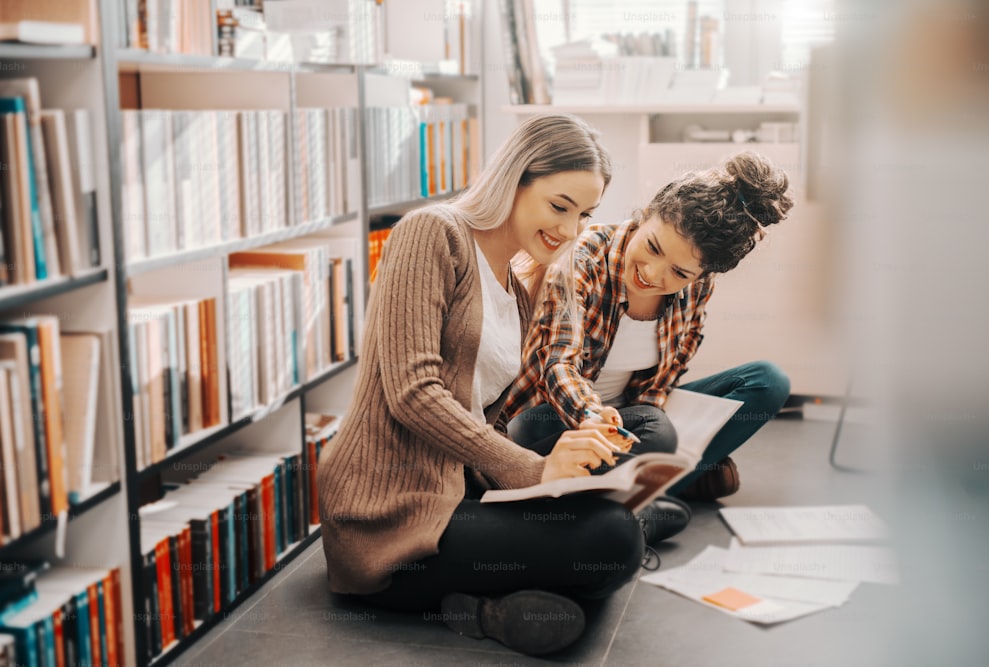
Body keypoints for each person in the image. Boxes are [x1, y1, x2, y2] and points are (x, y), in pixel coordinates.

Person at [317, 114, 645, 657]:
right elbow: (412, 392)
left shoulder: (516, 290)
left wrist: (554, 477)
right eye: (559, 206)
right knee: (614, 541)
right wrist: (532, 472)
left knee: (620, 471)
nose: (570, 230)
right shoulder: (431, 234)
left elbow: (485, 417)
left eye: (584, 215)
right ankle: (486, 599)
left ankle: (485, 598)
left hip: (459, 489)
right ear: (514, 179)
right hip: (395, 514)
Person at [505, 151, 794, 512]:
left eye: (679, 273)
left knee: (768, 381)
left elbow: (663, 380)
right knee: (655, 432)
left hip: (632, 416)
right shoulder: (583, 257)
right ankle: (649, 498)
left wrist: (639, 433)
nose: (654, 275)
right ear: (647, 214)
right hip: (557, 419)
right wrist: (594, 418)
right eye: (653, 247)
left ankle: (630, 499)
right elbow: (557, 364)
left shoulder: (698, 287)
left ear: (701, 275)